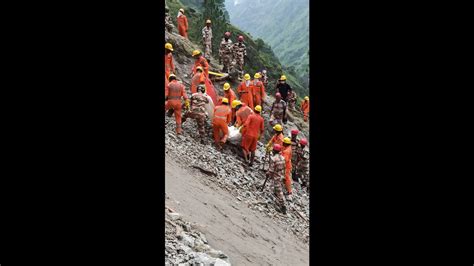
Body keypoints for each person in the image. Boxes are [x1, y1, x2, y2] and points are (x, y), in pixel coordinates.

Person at [266, 144, 287, 214]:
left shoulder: (273, 159)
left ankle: (283, 207)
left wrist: (268, 173)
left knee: (279, 191)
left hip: (277, 177)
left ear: (274, 150)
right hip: (281, 176)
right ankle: (277, 201)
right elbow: (284, 168)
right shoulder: (283, 158)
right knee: (277, 189)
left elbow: (271, 170)